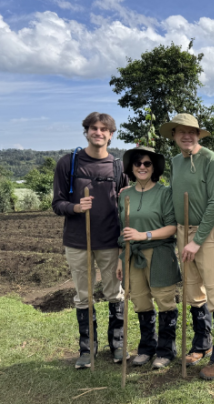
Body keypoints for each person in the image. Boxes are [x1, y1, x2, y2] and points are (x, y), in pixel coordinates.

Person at [52, 112, 129, 369]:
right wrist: (75, 207)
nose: (98, 132)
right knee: (83, 296)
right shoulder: (68, 163)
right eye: (93, 128)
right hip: (77, 241)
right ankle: (88, 348)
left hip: (109, 240)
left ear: (110, 134)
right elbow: (57, 203)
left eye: (103, 129)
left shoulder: (118, 167)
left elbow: (127, 202)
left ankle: (117, 345)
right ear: (86, 131)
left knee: (114, 294)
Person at [159, 113, 214, 380]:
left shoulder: (210, 159)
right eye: (181, 131)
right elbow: (172, 193)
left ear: (198, 135)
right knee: (192, 289)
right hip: (181, 230)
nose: (186, 136)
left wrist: (196, 240)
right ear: (175, 136)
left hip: (206, 232)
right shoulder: (176, 162)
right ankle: (202, 343)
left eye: (192, 131)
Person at [116, 146, 182, 369]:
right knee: (141, 301)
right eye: (137, 163)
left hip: (159, 253)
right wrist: (119, 258)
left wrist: (144, 235)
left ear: (154, 167)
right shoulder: (124, 195)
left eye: (147, 163)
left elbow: (172, 227)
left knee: (164, 301)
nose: (142, 167)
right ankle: (146, 348)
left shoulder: (164, 193)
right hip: (132, 255)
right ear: (131, 168)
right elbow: (122, 230)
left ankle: (166, 351)